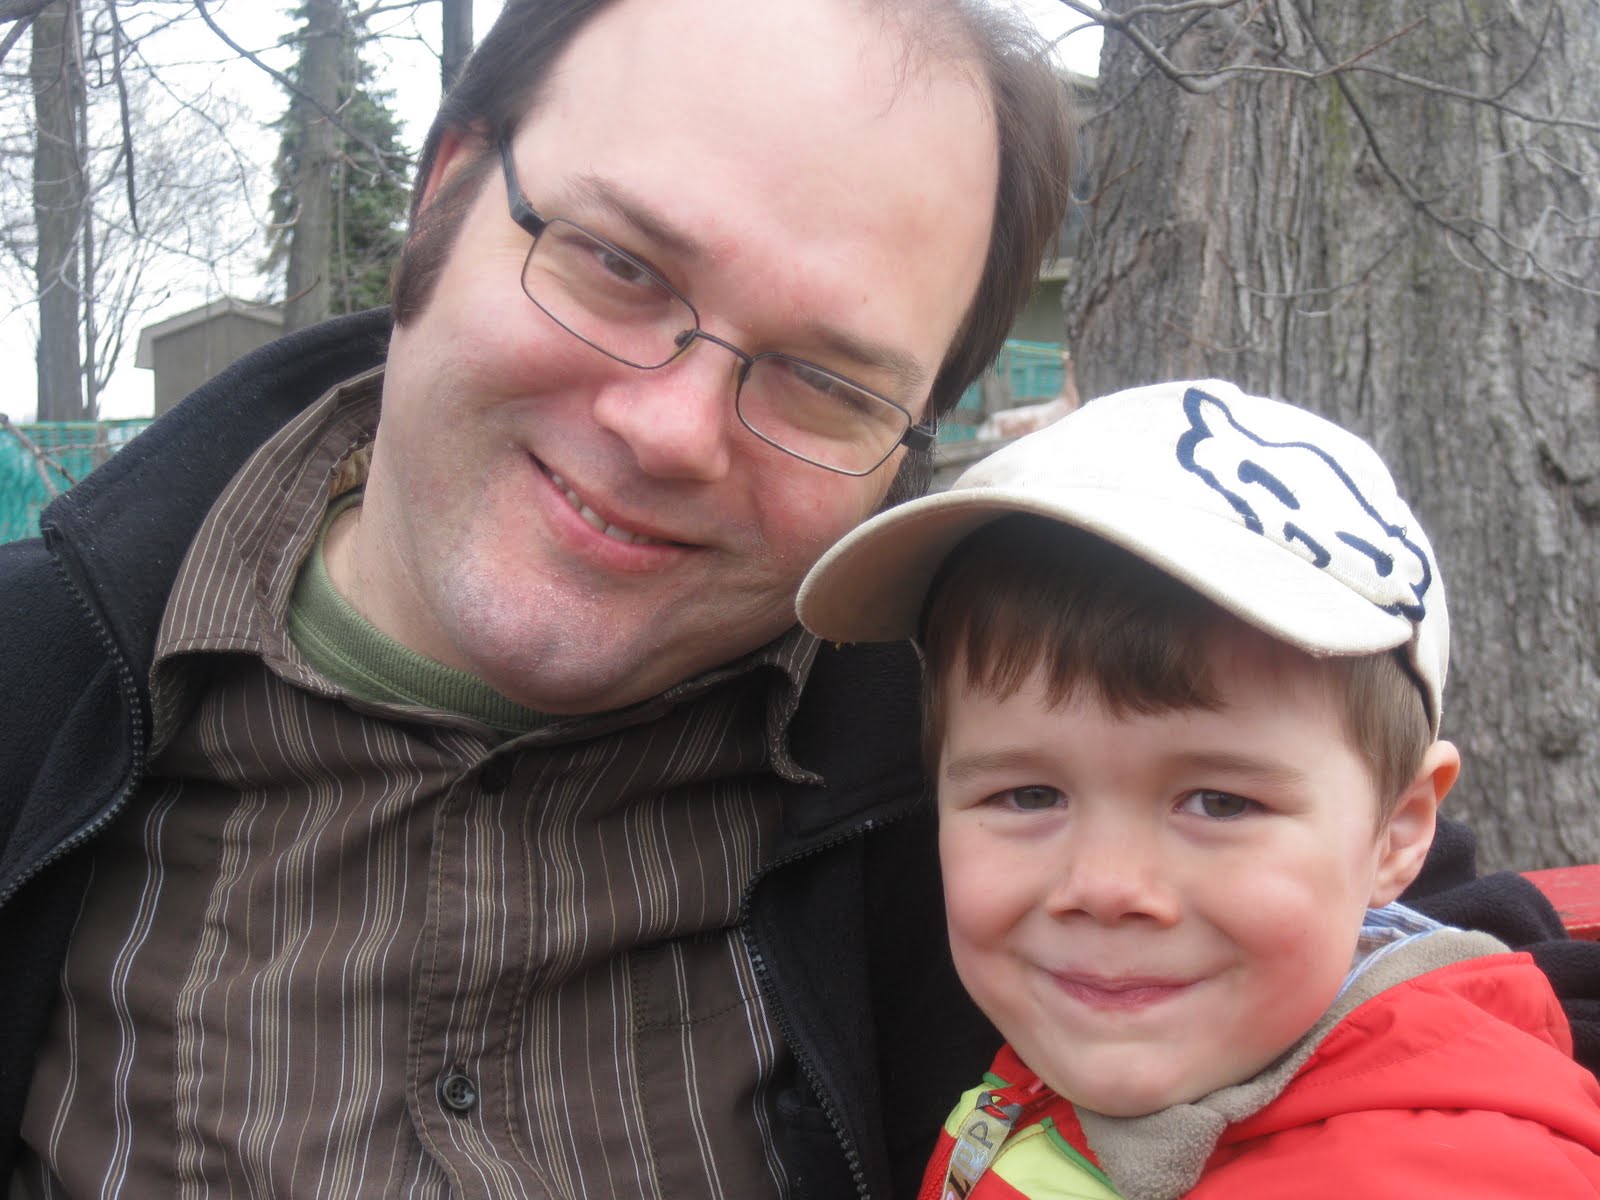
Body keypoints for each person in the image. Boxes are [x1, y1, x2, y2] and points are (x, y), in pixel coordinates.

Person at [0, 0, 1588, 1191]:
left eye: (827, 380)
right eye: (619, 264)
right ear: (447, 192)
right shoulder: (36, 690)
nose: (669, 428)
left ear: (911, 438)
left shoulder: (981, 719)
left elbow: (1423, 970)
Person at [796, 379, 1600, 1199]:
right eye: (1030, 796)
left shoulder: (1448, 1176)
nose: (1106, 888)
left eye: (1221, 802)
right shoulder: (1060, 1065)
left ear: (1397, 832)